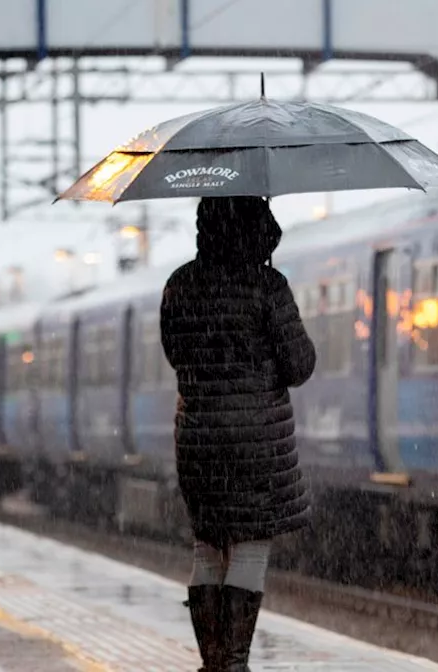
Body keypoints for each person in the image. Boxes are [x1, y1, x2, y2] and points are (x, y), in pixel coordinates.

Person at [160, 196, 317, 672]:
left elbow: (174, 354)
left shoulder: (180, 284)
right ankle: (234, 663)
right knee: (249, 544)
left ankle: (212, 663)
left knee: (208, 545)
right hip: (255, 440)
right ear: (260, 228)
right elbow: (299, 366)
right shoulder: (267, 285)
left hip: (199, 440)